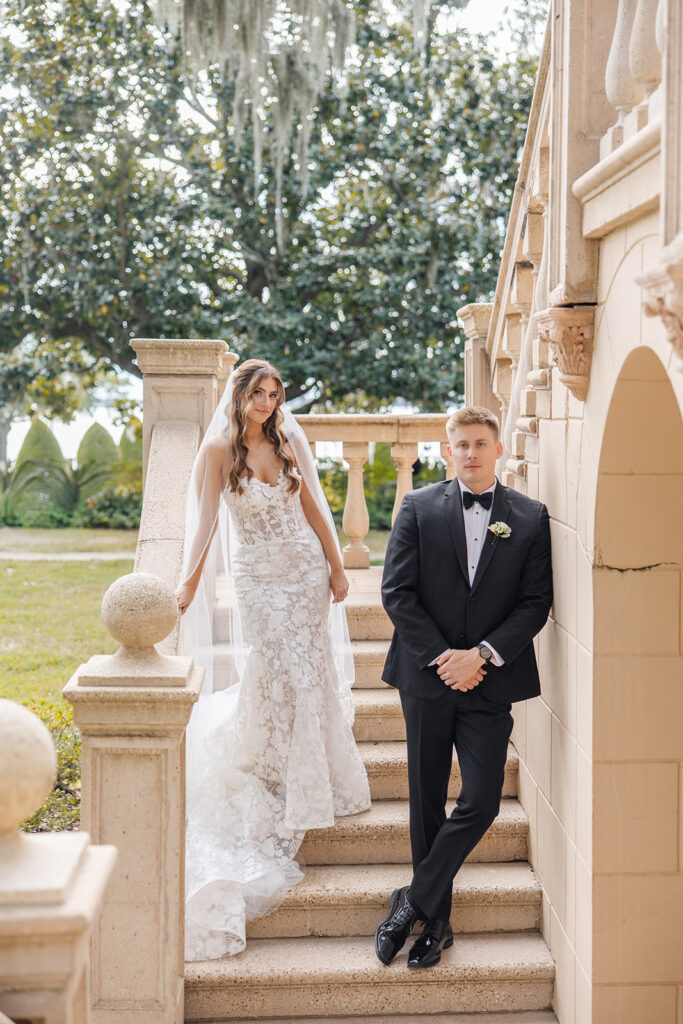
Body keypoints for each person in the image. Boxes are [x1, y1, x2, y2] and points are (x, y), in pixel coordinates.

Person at [176, 358, 370, 961]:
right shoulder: (217, 451)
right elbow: (207, 524)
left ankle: (319, 776)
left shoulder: (288, 439)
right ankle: (276, 763)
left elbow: (313, 505)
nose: (267, 401)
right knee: (275, 667)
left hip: (305, 570)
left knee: (308, 672)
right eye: (257, 392)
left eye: (274, 392)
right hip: (260, 580)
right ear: (239, 396)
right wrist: (185, 586)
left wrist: (336, 567)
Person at [374, 405, 553, 969]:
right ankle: (438, 923)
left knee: (479, 801)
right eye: (460, 445)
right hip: (426, 677)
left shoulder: (530, 516)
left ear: (497, 450)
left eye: (480, 443)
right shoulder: (418, 507)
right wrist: (443, 658)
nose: (470, 453)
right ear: (448, 450)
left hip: (490, 681)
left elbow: (535, 602)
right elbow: (397, 592)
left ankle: (411, 901)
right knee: (426, 800)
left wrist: (481, 656)